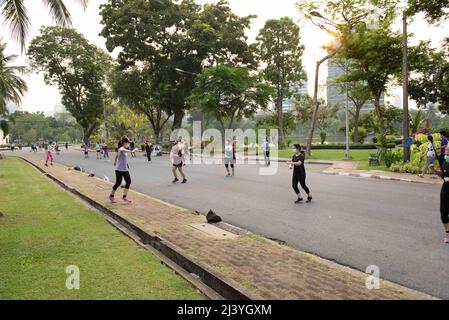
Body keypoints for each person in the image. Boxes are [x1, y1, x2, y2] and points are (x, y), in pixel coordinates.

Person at [109, 137, 139, 204]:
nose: (127, 144)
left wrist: (115, 161)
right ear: (123, 143)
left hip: (125, 169)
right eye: (126, 143)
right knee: (118, 183)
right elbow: (121, 151)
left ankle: (124, 197)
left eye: (128, 143)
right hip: (119, 169)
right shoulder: (121, 148)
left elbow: (117, 156)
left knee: (128, 181)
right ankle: (111, 196)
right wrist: (133, 151)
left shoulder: (124, 149)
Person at [430, 148, 449, 243]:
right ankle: (447, 233)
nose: (446, 151)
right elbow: (442, 174)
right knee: (443, 212)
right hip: (445, 191)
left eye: (448, 150)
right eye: (445, 150)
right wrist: (433, 170)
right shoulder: (445, 162)